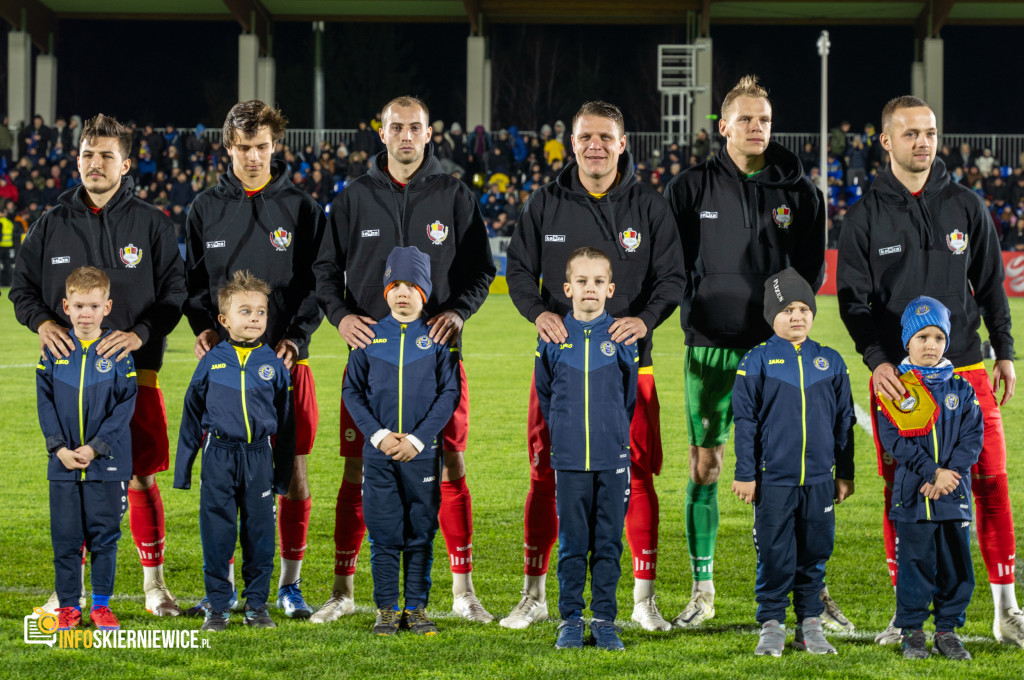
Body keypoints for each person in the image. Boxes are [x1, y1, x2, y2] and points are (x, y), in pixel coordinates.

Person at [837, 94, 1024, 647]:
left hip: (967, 371)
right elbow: (854, 302)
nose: (923, 142)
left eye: (931, 132)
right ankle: (906, 613)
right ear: (886, 141)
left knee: (989, 481)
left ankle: (1006, 608)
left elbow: (991, 286)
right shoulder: (864, 215)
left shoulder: (966, 204)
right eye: (911, 133)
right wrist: (876, 363)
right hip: (900, 381)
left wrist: (1006, 351)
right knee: (904, 489)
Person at [314, 95, 495, 623]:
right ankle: (344, 591)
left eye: (415, 127)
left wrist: (458, 313)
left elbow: (480, 270)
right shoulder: (352, 199)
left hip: (435, 360)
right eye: (397, 127)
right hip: (370, 363)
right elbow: (326, 272)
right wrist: (342, 317)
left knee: (450, 464)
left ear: (429, 132)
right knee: (357, 469)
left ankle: (462, 592)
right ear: (383, 132)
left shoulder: (455, 195)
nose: (406, 137)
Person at [505, 100, 684, 632]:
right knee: (546, 472)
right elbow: (517, 271)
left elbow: (673, 278)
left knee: (638, 476)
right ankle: (534, 593)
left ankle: (642, 599)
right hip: (560, 366)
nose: (595, 146)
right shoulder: (546, 202)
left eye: (606, 137)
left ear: (623, 143)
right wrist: (539, 313)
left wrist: (647, 320)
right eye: (586, 137)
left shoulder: (648, 205)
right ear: (572, 141)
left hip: (632, 369)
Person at [665, 75, 834, 630]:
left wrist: (787, 323)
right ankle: (703, 587)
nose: (756, 128)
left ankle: (812, 590)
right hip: (710, 347)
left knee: (793, 472)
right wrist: (698, 306)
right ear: (723, 126)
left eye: (763, 119)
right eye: (745, 119)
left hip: (777, 352)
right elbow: (673, 263)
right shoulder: (690, 187)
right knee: (707, 465)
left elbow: (812, 271)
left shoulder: (802, 193)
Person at [11, 113, 186, 617]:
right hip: (69, 380)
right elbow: (22, 289)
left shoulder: (152, 222)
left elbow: (174, 292)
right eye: (87, 153)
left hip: (134, 375)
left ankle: (155, 586)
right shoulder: (52, 222)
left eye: (106, 154)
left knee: (140, 477)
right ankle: (70, 591)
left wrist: (140, 334)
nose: (95, 163)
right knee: (77, 477)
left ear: (126, 163)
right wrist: (42, 324)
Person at [184, 100, 324, 619]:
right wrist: (203, 327)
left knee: (293, 473)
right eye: (243, 148)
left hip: (286, 365)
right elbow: (194, 284)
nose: (253, 157)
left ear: (275, 146)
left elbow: (318, 283)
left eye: (262, 147)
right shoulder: (205, 208)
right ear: (229, 148)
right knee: (222, 479)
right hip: (224, 368)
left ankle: (289, 586)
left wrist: (297, 337)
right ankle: (219, 588)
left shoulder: (302, 208)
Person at [731, 268, 853, 657]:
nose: (797, 316)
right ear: (772, 316)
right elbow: (745, 421)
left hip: (819, 480)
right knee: (774, 553)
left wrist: (844, 473)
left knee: (815, 551)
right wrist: (745, 475)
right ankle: (771, 623)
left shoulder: (830, 361)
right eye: (787, 310)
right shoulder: (757, 361)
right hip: (773, 481)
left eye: (803, 308)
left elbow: (844, 422)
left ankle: (810, 623)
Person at [342, 246, 460, 636]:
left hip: (422, 454)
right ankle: (388, 609)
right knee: (384, 531)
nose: (403, 292)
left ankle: (418, 608)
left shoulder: (439, 339)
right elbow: (352, 392)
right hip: (379, 455)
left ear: (425, 291)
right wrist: (377, 436)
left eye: (412, 285)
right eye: (396, 285)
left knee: (421, 532)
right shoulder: (369, 337)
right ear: (385, 290)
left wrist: (419, 440)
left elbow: (449, 395)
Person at [174, 271, 293, 632]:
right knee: (217, 535)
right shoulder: (212, 362)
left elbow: (287, 425)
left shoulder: (273, 365)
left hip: (258, 459)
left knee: (259, 536)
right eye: (245, 311)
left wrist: (282, 477)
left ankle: (257, 606)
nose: (254, 318)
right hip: (218, 458)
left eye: (260, 312)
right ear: (224, 320)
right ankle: (218, 607)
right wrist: (184, 470)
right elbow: (191, 415)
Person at [536, 247, 638, 652]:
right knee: (573, 543)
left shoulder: (621, 337)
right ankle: (571, 620)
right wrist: (563, 433)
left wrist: (612, 433)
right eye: (582, 282)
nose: (590, 289)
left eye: (598, 282)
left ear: (610, 289)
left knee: (609, 542)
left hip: (612, 458)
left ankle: (606, 620)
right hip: (570, 460)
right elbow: (546, 395)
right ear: (567, 289)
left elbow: (627, 398)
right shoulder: (553, 338)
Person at [875, 297, 982, 660]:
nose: (931, 345)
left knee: (957, 566)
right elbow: (893, 440)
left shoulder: (962, 389)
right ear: (907, 341)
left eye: (938, 337)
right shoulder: (895, 388)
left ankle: (948, 631)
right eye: (922, 337)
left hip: (953, 493)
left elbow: (973, 437)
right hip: (914, 495)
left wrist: (948, 475)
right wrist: (931, 471)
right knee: (915, 566)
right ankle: (914, 632)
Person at [37, 267, 137, 632]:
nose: (85, 313)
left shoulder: (118, 352)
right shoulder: (53, 351)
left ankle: (101, 605)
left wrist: (96, 448)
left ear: (107, 307)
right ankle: (67, 606)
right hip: (62, 462)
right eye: (78, 305)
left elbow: (125, 406)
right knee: (65, 537)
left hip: (106, 463)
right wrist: (58, 448)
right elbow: (44, 404)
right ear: (65, 306)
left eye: (93, 306)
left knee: (104, 537)